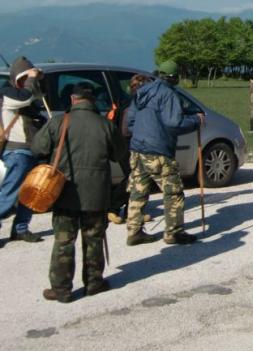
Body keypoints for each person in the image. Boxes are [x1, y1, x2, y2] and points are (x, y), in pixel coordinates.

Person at [31, 83, 127, 302]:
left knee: (64, 241)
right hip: (96, 193)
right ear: (92, 101)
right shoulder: (105, 125)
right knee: (93, 239)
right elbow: (119, 154)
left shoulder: (59, 122)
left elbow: (37, 148)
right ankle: (94, 283)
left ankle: (61, 289)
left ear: (73, 99)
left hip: (65, 192)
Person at [125, 60, 204, 245]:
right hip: (158, 151)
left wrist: (142, 135)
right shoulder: (168, 94)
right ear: (173, 77)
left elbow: (130, 122)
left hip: (137, 149)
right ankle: (173, 233)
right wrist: (195, 121)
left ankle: (134, 231)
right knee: (173, 191)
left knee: (138, 190)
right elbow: (174, 123)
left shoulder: (142, 91)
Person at [0, 56, 46, 245]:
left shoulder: (27, 95)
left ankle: (20, 228)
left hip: (31, 151)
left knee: (31, 194)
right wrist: (32, 77)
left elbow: (37, 96)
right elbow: (25, 96)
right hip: (17, 152)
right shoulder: (8, 94)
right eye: (25, 77)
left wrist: (36, 80)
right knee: (9, 194)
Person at [108, 74, 152, 224]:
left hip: (123, 144)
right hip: (127, 145)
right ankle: (113, 208)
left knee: (134, 177)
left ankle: (130, 212)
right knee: (133, 177)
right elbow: (126, 130)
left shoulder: (128, 101)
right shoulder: (133, 104)